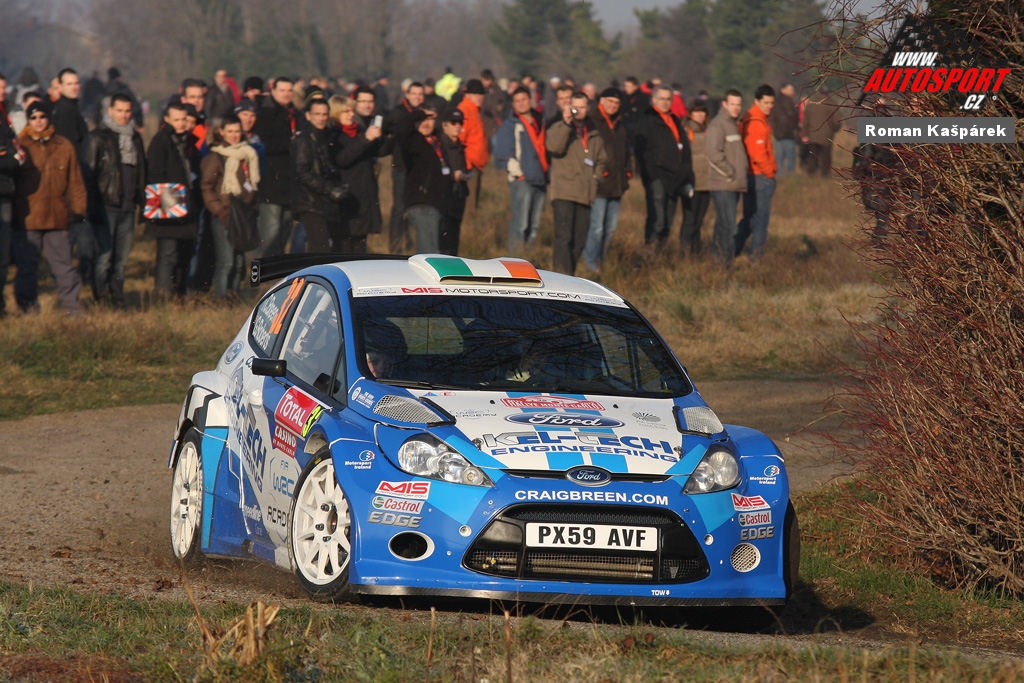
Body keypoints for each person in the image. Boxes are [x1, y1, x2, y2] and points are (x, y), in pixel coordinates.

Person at [12, 100, 87, 314]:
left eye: (42, 117)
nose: (38, 122)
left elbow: (75, 182)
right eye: (34, 118)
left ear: (49, 118)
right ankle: (27, 308)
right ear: (28, 120)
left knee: (64, 267)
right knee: (27, 268)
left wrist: (79, 211)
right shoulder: (20, 145)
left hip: (57, 217)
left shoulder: (64, 146)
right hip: (28, 218)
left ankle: (72, 307)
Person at [81, 92, 147, 307]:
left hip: (128, 207)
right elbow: (88, 175)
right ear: (110, 111)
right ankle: (100, 299)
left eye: (128, 111)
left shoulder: (135, 138)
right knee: (104, 257)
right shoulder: (97, 137)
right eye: (119, 110)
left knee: (121, 260)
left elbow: (141, 172)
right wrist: (92, 208)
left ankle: (118, 298)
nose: (124, 115)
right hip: (105, 206)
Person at [546, 91, 606, 276]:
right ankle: (561, 277)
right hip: (564, 191)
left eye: (582, 107)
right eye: (574, 106)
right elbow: (553, 146)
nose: (578, 111)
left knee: (579, 240)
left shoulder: (594, 132)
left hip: (586, 193)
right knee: (564, 238)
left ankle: (568, 276)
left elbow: (602, 160)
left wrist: (596, 178)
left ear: (588, 108)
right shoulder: (559, 127)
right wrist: (566, 123)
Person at [200, 115, 260, 300]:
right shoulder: (215, 157)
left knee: (239, 259)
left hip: (243, 214)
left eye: (237, 131)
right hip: (224, 215)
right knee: (225, 260)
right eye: (230, 131)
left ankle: (233, 293)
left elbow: (251, 182)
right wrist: (219, 210)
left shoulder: (247, 154)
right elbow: (206, 187)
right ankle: (220, 296)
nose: (234, 135)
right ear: (222, 132)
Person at [145, 100, 200, 300]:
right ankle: (163, 296)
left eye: (184, 119)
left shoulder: (187, 141)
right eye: (176, 119)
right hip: (168, 208)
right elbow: (156, 176)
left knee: (184, 253)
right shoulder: (161, 141)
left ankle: (179, 292)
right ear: (167, 119)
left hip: (186, 206)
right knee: (168, 254)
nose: (181, 123)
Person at [635, 85, 693, 248]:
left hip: (674, 178)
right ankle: (649, 252)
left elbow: (684, 148)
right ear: (654, 100)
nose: (665, 102)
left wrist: (684, 173)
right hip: (657, 178)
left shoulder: (675, 120)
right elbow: (642, 151)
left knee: (668, 221)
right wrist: (653, 174)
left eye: (668, 99)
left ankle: (659, 254)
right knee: (657, 219)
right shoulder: (647, 120)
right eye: (662, 98)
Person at [492, 86, 548, 253]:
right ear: (513, 104)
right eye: (517, 101)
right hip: (522, 181)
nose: (521, 103)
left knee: (534, 225)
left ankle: (528, 258)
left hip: (541, 179)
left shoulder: (541, 121)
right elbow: (503, 154)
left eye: (524, 99)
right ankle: (515, 261)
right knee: (520, 224)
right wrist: (519, 175)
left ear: (531, 100)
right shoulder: (510, 125)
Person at [581, 87, 630, 274]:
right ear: (601, 101)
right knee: (597, 227)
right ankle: (590, 262)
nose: (613, 106)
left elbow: (625, 151)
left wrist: (628, 172)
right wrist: (596, 175)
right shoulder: (592, 121)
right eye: (609, 101)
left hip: (617, 184)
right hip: (599, 184)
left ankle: (602, 260)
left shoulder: (619, 123)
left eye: (616, 103)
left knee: (610, 228)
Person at [329, 95, 385, 253]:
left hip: (364, 196)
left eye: (352, 111)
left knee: (360, 245)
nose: (351, 114)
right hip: (346, 196)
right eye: (346, 111)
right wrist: (365, 139)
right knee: (343, 245)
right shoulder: (333, 135)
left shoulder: (359, 131)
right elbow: (342, 159)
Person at [291, 100, 347, 253]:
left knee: (330, 247)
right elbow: (302, 172)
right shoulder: (303, 139)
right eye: (317, 114)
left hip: (326, 201)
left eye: (324, 114)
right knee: (319, 247)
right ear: (308, 116)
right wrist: (329, 188)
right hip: (310, 202)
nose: (321, 118)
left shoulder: (329, 137)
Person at [253, 77, 297, 256]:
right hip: (271, 181)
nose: (286, 94)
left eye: (289, 90)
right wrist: (291, 143)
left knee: (285, 227)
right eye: (282, 90)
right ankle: (264, 273)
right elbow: (263, 144)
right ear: (273, 91)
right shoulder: (265, 114)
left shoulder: (293, 113)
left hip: (289, 181)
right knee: (270, 230)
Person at [398, 106, 451, 254]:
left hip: (437, 204)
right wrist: (419, 113)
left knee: (430, 247)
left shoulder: (437, 142)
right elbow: (401, 128)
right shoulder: (413, 141)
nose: (426, 123)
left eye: (430, 119)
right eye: (422, 120)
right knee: (429, 251)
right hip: (421, 202)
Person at [734, 84, 778, 261]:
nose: (769, 106)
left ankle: (732, 250)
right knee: (760, 220)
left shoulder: (749, 118)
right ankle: (755, 257)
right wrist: (770, 173)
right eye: (766, 102)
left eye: (772, 103)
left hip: (752, 175)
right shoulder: (756, 122)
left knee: (750, 218)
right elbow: (757, 154)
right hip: (759, 176)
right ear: (757, 101)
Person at [705, 89, 748, 265]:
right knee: (728, 226)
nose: (736, 108)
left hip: (733, 184)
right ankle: (725, 263)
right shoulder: (718, 125)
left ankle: (718, 261)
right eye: (733, 104)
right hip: (723, 184)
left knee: (723, 224)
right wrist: (730, 173)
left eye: (739, 104)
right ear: (724, 104)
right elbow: (712, 154)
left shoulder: (732, 123)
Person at [386, 82, 423, 253]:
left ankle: (411, 244)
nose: (417, 97)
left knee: (414, 208)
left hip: (417, 168)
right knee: (399, 208)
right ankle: (395, 246)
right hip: (401, 167)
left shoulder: (423, 113)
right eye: (414, 93)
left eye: (420, 94)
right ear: (406, 95)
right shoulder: (399, 113)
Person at [0, 75, 27, 317]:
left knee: (3, 254)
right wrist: (10, 157)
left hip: (6, 190)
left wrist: (11, 155)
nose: (2, 92)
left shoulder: (6, 116)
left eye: (3, 89)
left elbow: (12, 150)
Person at [679, 101, 711, 256]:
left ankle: (696, 252)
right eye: (696, 112)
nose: (700, 115)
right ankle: (684, 252)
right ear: (690, 113)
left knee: (699, 221)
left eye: (702, 112)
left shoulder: (708, 131)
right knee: (690, 220)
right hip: (692, 182)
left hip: (707, 182)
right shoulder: (686, 130)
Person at [438, 108, 469, 255]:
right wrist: (453, 176)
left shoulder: (459, 146)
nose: (458, 125)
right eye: (453, 122)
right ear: (445, 125)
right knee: (444, 241)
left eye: (460, 122)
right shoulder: (440, 145)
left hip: (458, 197)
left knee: (454, 240)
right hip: (444, 199)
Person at [769, 83, 798, 177]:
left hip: (778, 135)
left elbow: (771, 118)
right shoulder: (788, 102)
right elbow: (793, 118)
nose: (792, 92)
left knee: (779, 158)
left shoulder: (775, 101)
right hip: (787, 134)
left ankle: (781, 178)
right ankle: (790, 178)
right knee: (790, 158)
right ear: (783, 90)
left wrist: (775, 131)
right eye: (790, 89)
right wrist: (794, 128)